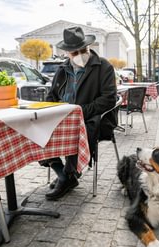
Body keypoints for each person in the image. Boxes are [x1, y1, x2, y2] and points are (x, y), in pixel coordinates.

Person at [40, 26, 117, 200]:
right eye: (75, 52)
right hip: (62, 116)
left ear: (89, 47)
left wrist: (79, 111)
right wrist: (47, 110)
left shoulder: (103, 66)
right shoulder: (62, 69)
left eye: (83, 50)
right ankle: (64, 175)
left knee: (77, 129)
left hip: (91, 118)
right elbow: (51, 96)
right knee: (39, 129)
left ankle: (68, 173)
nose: (80, 55)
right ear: (67, 52)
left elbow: (108, 99)